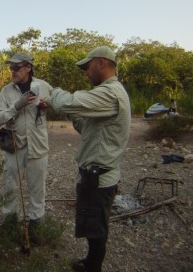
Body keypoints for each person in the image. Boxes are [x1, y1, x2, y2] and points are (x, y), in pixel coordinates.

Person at [46, 46, 131, 272]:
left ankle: (93, 267)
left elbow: (66, 101)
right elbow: (87, 127)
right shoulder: (110, 94)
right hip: (95, 177)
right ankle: (92, 262)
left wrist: (51, 91)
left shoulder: (110, 93)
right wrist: (71, 112)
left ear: (101, 63)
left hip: (99, 179)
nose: (86, 72)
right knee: (95, 228)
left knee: (97, 230)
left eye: (88, 66)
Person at [0, 52, 52, 245]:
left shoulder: (43, 86)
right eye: (11, 68)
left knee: (37, 189)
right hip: (14, 148)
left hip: (38, 146)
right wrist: (16, 107)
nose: (12, 71)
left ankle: (35, 227)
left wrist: (47, 105)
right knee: (11, 186)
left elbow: (59, 104)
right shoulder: (6, 91)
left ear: (28, 67)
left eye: (16, 67)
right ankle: (9, 223)